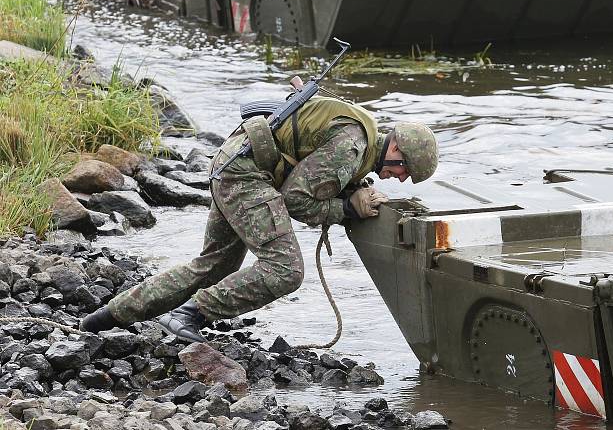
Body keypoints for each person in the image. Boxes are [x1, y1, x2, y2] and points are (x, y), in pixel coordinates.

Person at [80, 94, 439, 343]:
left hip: (231, 164)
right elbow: (296, 200)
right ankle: (192, 313)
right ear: (395, 148)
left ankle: (105, 317)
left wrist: (351, 192)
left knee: (214, 266)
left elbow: (312, 167)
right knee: (286, 271)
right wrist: (345, 210)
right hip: (246, 177)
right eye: (405, 168)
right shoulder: (353, 145)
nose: (401, 177)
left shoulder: (361, 136)